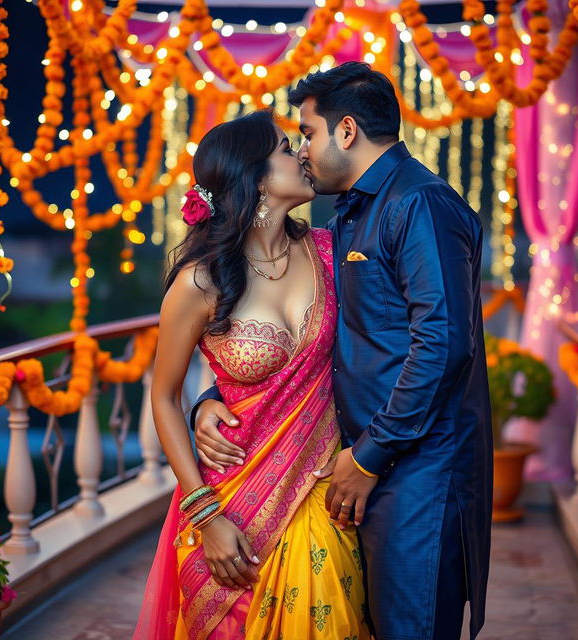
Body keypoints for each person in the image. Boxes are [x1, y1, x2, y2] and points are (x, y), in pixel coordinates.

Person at [192, 62, 493, 640]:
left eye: (306, 133)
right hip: (360, 467)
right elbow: (314, 341)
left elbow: (444, 345)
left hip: (418, 472)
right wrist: (211, 396)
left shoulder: (419, 204)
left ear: (347, 131)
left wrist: (368, 457)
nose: (302, 151)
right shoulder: (351, 214)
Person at [134, 109, 370, 640]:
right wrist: (205, 516)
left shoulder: (332, 254)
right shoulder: (202, 281)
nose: (304, 155)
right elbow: (165, 396)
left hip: (320, 490)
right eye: (288, 149)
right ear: (256, 176)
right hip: (230, 506)